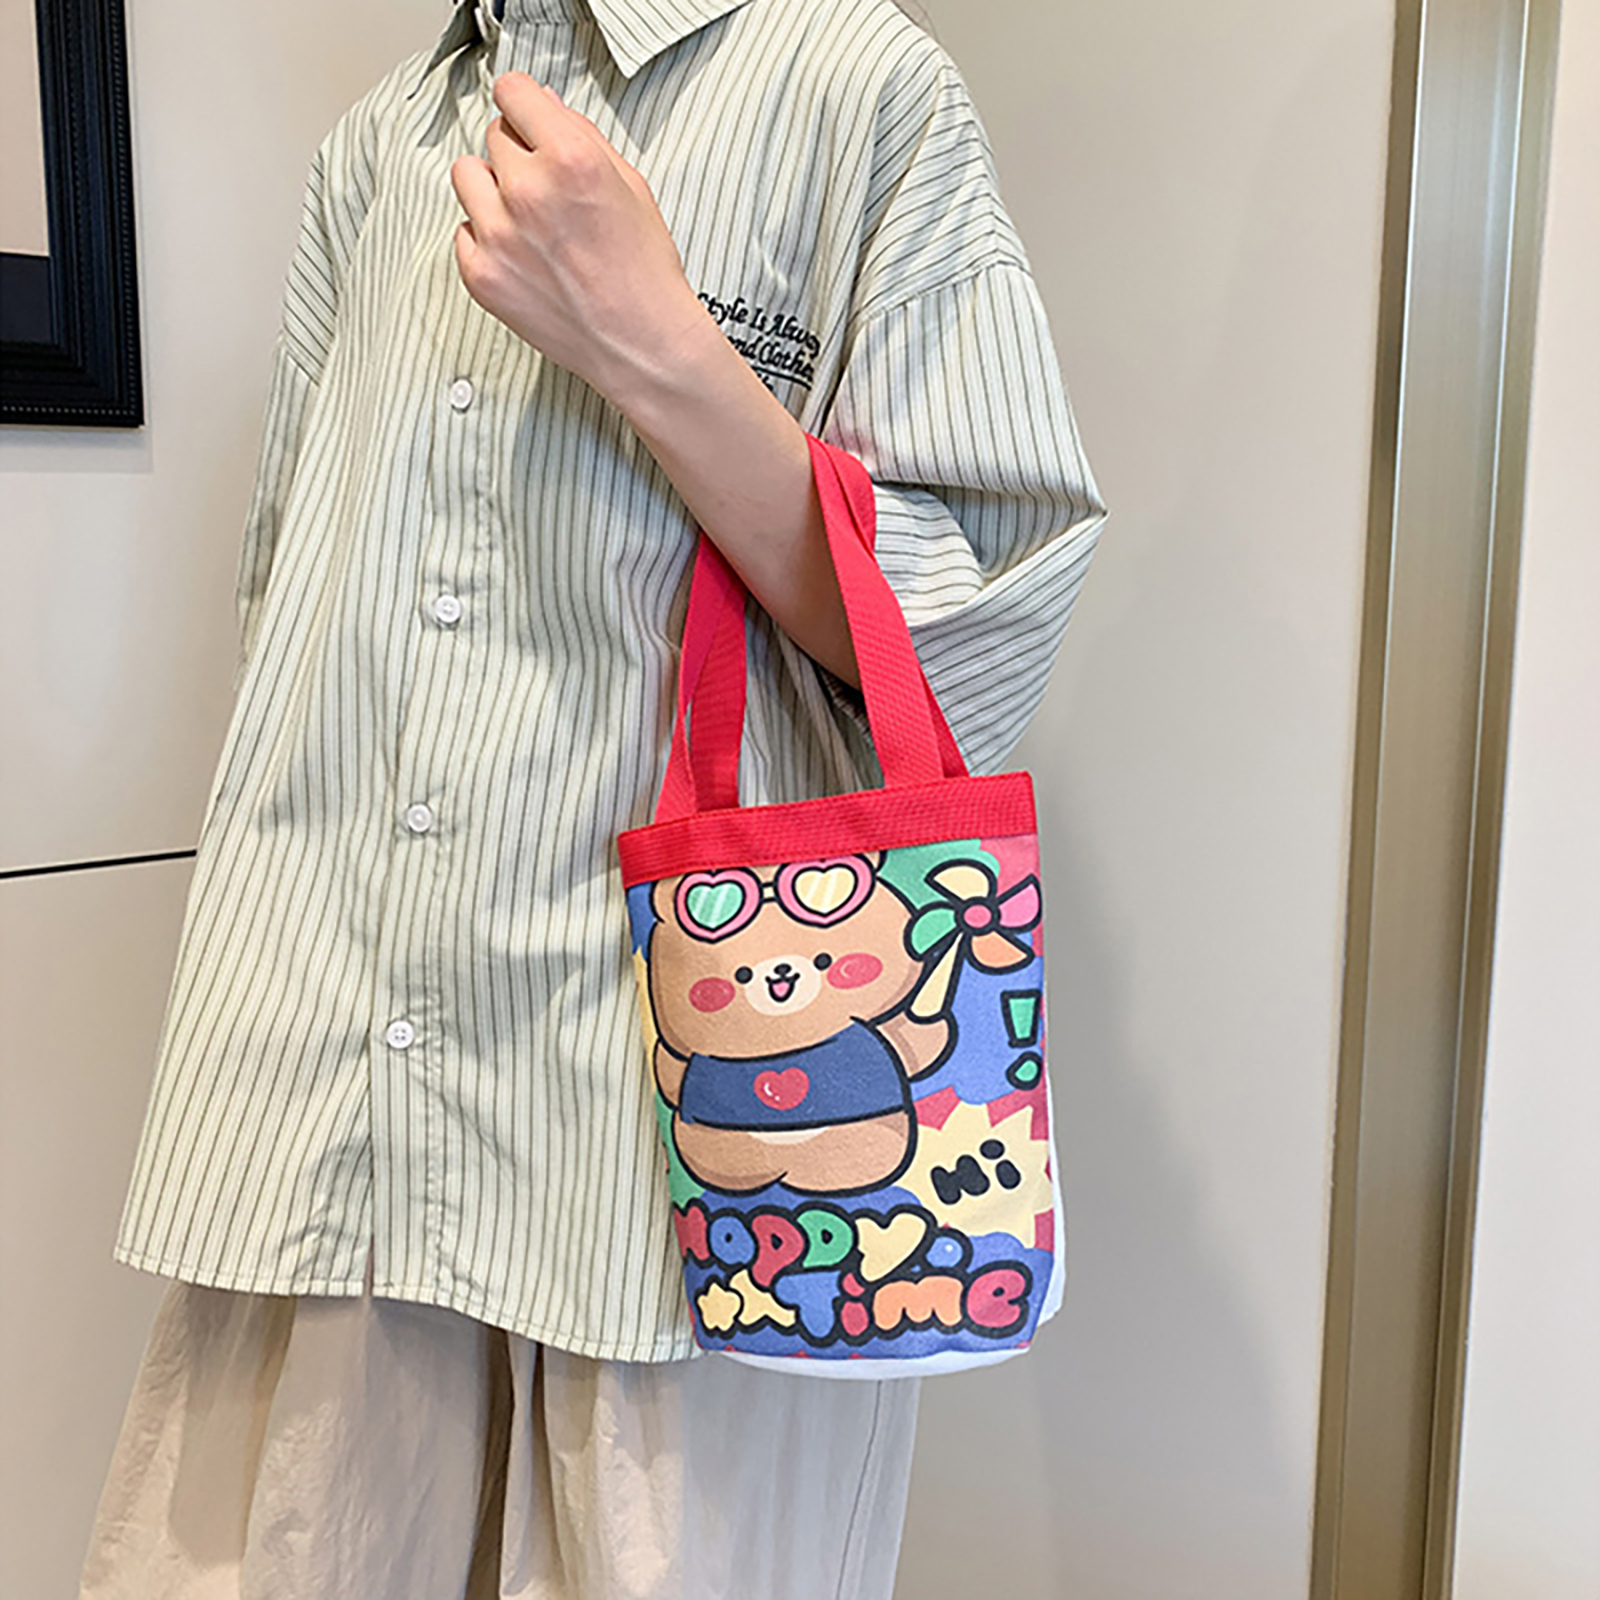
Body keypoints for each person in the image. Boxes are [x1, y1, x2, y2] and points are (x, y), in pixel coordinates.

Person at [80, 0, 1105, 1595]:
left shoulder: (857, 89)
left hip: (684, 1185)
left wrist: (664, 350)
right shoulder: (381, 144)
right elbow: (289, 602)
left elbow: (983, 632)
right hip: (337, 1118)